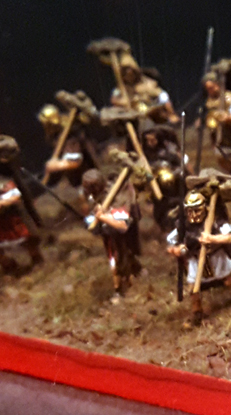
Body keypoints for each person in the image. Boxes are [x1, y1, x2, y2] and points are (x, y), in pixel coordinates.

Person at [166, 191, 231, 328]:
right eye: (190, 211)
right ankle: (197, 313)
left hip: (216, 257)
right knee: (193, 290)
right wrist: (178, 250)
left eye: (197, 210)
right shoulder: (183, 226)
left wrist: (212, 238)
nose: (193, 215)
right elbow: (171, 245)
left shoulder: (215, 221)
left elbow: (229, 237)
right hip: (196, 260)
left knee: (229, 281)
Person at [0, 153, 43, 274]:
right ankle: (11, 267)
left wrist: (0, 203)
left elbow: (14, 196)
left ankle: (37, 261)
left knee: (28, 242)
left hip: (10, 217)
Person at [82, 169, 142, 303]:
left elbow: (122, 225)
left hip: (121, 228)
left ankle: (121, 290)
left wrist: (103, 217)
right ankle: (134, 271)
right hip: (109, 232)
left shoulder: (117, 197)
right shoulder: (93, 196)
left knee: (119, 258)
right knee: (117, 256)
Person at [38, 103, 98, 188]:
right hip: (78, 181)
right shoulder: (54, 137)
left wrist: (57, 165)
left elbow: (76, 160)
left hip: (89, 178)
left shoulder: (70, 136)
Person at [110, 52, 178, 124]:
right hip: (132, 116)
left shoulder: (147, 83)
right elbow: (114, 99)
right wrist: (124, 102)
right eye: (126, 74)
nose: (129, 77)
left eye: (131, 74)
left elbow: (162, 95)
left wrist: (170, 112)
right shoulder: (121, 88)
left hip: (151, 113)